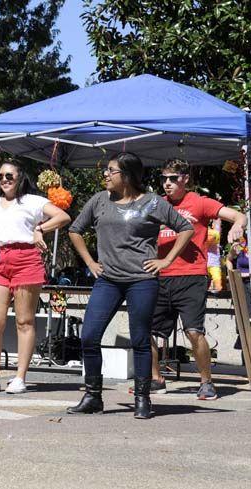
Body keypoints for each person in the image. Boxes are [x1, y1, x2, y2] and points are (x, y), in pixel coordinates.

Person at [68, 152, 193, 419]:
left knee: (140, 340)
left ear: (126, 175)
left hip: (142, 280)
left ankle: (142, 398)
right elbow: (75, 230)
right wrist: (90, 262)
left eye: (110, 171)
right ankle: (93, 396)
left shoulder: (152, 202)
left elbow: (185, 228)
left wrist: (166, 260)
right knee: (89, 336)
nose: (105, 175)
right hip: (108, 280)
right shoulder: (100, 200)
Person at [0, 158, 71, 394]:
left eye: (9, 176)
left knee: (24, 321)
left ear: (20, 178)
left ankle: (20, 377)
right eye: (0, 176)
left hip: (26, 259)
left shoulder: (32, 201)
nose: (4, 180)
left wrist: (41, 229)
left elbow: (63, 217)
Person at [147, 159, 246, 400]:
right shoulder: (156, 204)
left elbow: (239, 215)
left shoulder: (200, 203)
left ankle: (206, 382)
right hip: (160, 277)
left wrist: (238, 227)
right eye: (163, 179)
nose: (167, 183)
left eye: (173, 178)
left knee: (193, 332)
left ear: (185, 178)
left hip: (191, 277)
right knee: (147, 332)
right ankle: (155, 379)